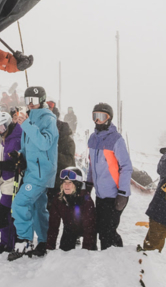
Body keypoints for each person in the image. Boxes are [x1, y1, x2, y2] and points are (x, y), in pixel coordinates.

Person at [9, 86, 59, 260]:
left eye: (34, 100)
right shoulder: (29, 119)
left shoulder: (48, 119)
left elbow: (45, 143)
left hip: (41, 172)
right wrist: (20, 155)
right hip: (33, 170)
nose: (30, 104)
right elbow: (28, 146)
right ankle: (45, 242)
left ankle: (24, 240)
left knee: (20, 204)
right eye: (28, 100)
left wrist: (27, 125)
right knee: (38, 208)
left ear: (42, 101)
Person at [86, 102, 132, 251]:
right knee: (102, 229)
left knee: (107, 232)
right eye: (95, 117)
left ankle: (114, 259)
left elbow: (126, 166)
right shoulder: (92, 139)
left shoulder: (116, 140)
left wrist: (123, 193)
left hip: (114, 195)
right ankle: (111, 258)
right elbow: (92, 164)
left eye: (102, 117)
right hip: (101, 195)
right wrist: (88, 184)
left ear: (109, 118)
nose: (98, 120)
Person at [0, 111, 22, 254]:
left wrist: (1, 166)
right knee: (6, 213)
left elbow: (18, 163)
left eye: (2, 127)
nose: (0, 131)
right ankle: (7, 242)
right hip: (6, 179)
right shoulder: (7, 137)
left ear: (8, 123)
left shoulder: (16, 137)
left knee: (4, 212)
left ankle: (8, 243)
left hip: (14, 179)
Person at [46, 111, 76, 250]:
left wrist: (53, 154)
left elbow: (69, 161)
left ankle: (70, 241)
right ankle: (48, 242)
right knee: (50, 213)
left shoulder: (67, 140)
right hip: (50, 180)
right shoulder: (49, 138)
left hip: (64, 182)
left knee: (66, 213)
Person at [49, 167, 97, 251]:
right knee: (64, 252)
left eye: (70, 182)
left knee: (88, 252)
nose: (66, 185)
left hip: (87, 229)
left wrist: (87, 251)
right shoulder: (58, 199)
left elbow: (89, 228)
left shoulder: (86, 201)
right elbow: (53, 224)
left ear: (77, 184)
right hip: (70, 228)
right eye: (64, 182)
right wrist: (49, 248)